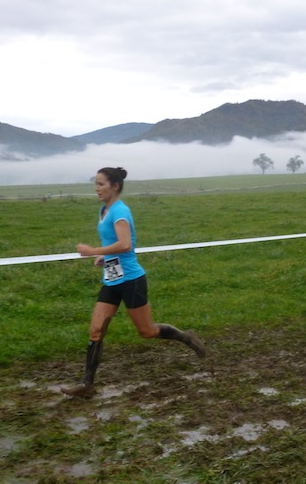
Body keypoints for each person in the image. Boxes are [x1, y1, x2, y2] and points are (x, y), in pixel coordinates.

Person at [61, 166, 206, 398]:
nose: (96, 188)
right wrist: (104, 256)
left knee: (147, 331)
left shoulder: (120, 211)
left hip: (131, 280)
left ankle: (185, 336)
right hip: (112, 277)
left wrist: (92, 250)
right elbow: (115, 243)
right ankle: (87, 384)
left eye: (101, 184)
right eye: (95, 184)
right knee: (96, 329)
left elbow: (126, 244)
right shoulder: (104, 210)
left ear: (115, 186)